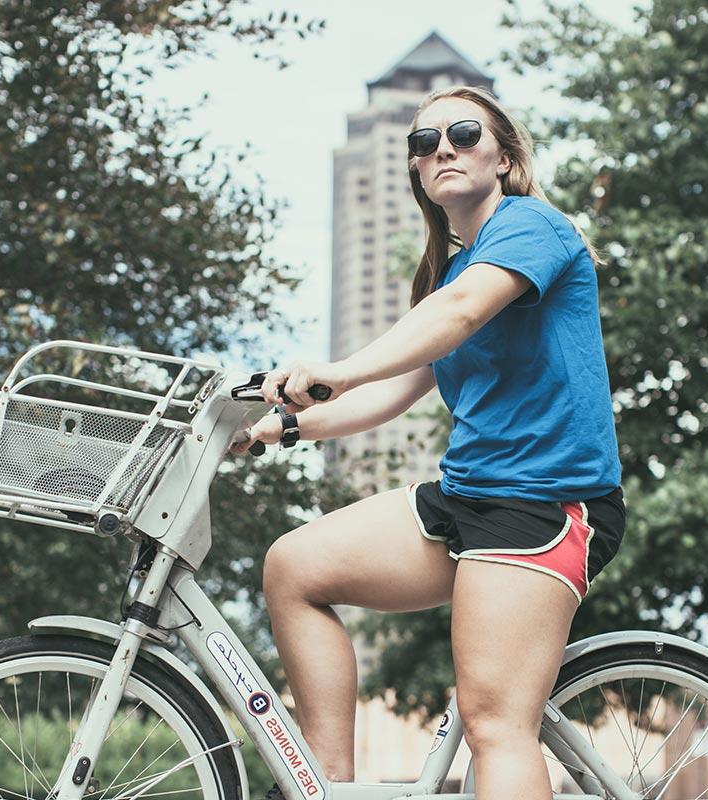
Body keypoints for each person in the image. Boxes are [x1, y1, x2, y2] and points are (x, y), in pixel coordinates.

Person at [232, 85, 626, 800]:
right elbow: (396, 389)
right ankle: (327, 789)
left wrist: (337, 368)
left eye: (464, 133)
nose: (442, 147)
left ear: (503, 157)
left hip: (543, 506)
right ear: (415, 170)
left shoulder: (533, 227)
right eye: (424, 141)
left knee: (495, 724)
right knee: (293, 568)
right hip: (466, 498)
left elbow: (462, 311)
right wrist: (280, 426)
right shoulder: (448, 271)